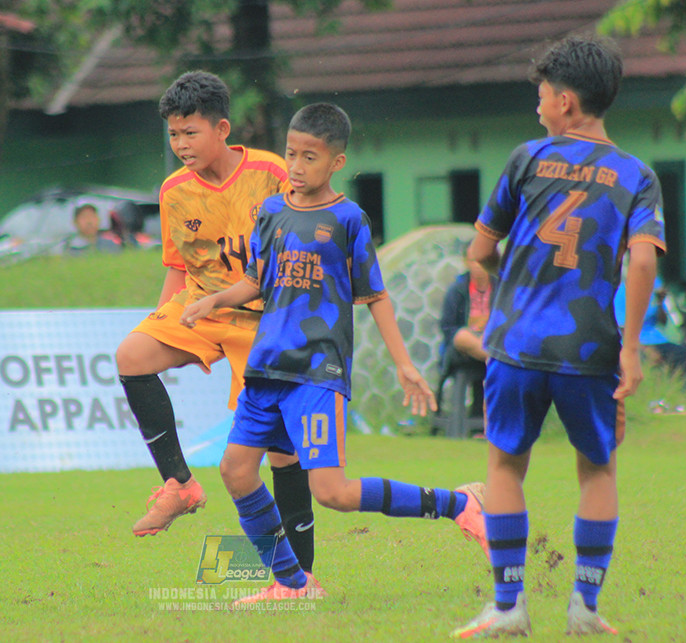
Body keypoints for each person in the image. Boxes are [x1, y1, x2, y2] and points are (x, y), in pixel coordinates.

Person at [180, 103, 488, 605]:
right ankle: (292, 584)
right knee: (235, 470)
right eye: (290, 155)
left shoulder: (348, 219)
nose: (297, 167)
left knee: (334, 493)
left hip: (316, 374)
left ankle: (458, 503)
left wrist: (405, 365)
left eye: (309, 157)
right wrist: (214, 299)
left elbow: (375, 296)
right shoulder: (273, 211)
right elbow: (256, 281)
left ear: (335, 163)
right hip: (265, 371)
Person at [452, 36, 665, 638]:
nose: (539, 105)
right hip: (591, 347)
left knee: (504, 466)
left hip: (517, 344)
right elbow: (644, 263)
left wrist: (510, 276)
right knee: (597, 472)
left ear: (566, 102)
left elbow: (480, 250)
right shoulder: (637, 175)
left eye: (542, 95)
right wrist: (630, 350)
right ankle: (585, 609)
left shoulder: (526, 159)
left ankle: (508, 606)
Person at [114, 71, 318, 574]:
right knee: (132, 355)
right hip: (202, 307)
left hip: (264, 322)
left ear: (222, 129)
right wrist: (164, 322)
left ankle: (300, 575)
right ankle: (180, 485)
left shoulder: (272, 173)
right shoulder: (174, 192)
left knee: (279, 453)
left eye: (191, 132)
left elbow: (306, 245)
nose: (181, 144)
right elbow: (178, 268)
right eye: (174, 134)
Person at [438, 248, 498, 418]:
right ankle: (492, 358)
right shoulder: (457, 290)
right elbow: (448, 328)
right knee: (462, 336)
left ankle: (491, 356)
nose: (478, 266)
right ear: (466, 262)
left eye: (481, 261)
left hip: (493, 339)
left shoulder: (500, 288)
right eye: (473, 261)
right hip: (465, 350)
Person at [613, 275, 686, 377]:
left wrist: (660, 302)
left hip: (659, 341)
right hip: (639, 345)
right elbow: (623, 330)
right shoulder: (622, 292)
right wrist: (645, 349)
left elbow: (662, 322)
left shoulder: (653, 287)